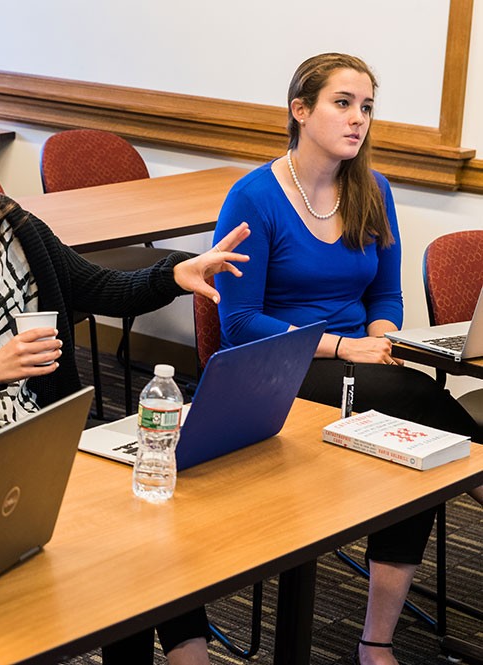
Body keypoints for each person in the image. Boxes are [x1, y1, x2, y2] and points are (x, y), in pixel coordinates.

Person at [0, 91, 251, 664]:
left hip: (39, 435)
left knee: (142, 536)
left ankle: (189, 653)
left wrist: (173, 274)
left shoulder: (15, 228)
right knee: (107, 538)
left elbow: (98, 287)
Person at [212, 53, 483, 665]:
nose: (358, 119)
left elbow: (385, 293)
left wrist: (384, 339)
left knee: (421, 435)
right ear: (300, 110)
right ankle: (375, 642)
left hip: (365, 368)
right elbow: (237, 324)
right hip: (279, 369)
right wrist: (343, 346)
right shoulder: (253, 198)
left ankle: (375, 638)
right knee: (428, 415)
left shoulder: (373, 188)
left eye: (366, 106)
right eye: (342, 103)